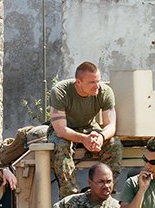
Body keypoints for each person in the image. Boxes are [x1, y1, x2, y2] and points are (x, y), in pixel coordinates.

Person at [48, 60, 122, 190]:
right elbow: (60, 130)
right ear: (78, 82)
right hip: (65, 129)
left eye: (98, 81)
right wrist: (84, 139)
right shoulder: (60, 91)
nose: (97, 86)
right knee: (61, 145)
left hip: (89, 127)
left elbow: (111, 126)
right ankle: (70, 196)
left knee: (114, 145)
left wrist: (100, 137)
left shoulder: (104, 92)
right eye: (92, 82)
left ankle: (105, 193)